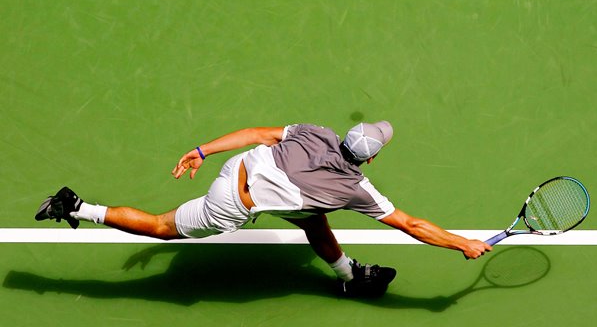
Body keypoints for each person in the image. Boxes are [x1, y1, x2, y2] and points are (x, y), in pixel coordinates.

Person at [35, 122, 491, 297]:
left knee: (312, 214)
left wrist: (202, 150)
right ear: (371, 158)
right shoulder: (355, 189)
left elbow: (256, 132)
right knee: (161, 227)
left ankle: (350, 277)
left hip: (238, 168)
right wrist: (461, 243)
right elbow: (410, 223)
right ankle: (79, 206)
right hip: (231, 203)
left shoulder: (316, 132)